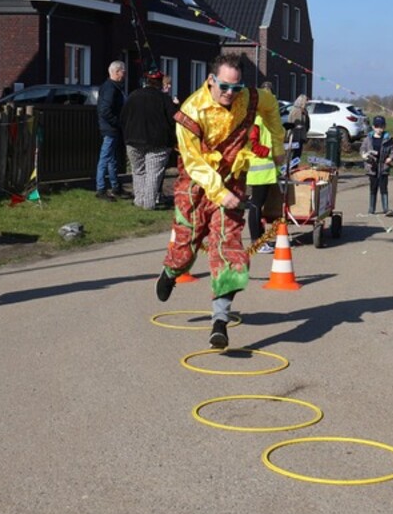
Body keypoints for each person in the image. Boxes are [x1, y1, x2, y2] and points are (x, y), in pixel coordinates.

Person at [155, 54, 284, 349]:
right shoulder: (190, 112)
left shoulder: (250, 97)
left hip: (232, 181)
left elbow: (271, 107)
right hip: (196, 185)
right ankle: (171, 271)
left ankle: (220, 323)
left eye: (236, 88)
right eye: (224, 87)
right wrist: (219, 192)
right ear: (211, 80)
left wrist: (277, 145)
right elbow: (193, 162)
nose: (230, 93)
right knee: (186, 247)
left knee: (230, 249)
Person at [120, 70, 178, 210]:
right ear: (160, 83)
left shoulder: (133, 96)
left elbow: (123, 117)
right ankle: (149, 204)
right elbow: (174, 120)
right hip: (158, 142)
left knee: (138, 171)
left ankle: (139, 200)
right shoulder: (164, 99)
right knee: (153, 174)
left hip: (133, 140)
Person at [245, 110, 280, 255]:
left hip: (266, 172)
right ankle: (256, 242)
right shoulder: (257, 120)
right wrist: (270, 152)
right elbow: (252, 144)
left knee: (259, 206)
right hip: (258, 171)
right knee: (256, 205)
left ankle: (260, 240)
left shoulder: (265, 119)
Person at [95, 60, 128, 200]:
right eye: (123, 72)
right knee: (105, 157)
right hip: (110, 128)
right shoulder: (110, 88)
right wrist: (118, 123)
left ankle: (115, 186)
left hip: (112, 128)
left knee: (112, 159)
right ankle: (101, 188)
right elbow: (104, 110)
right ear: (116, 72)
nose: (125, 75)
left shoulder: (113, 87)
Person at [360, 115, 393, 216]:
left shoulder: (388, 139)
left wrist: (391, 158)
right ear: (373, 127)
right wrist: (364, 155)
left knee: (383, 188)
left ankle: (386, 209)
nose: (379, 129)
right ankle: (371, 209)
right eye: (377, 126)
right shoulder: (368, 138)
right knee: (373, 188)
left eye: (381, 126)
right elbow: (363, 148)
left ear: (384, 126)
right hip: (372, 167)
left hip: (383, 167)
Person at [286, 94, 310, 167]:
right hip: (294, 135)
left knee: (298, 153)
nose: (307, 103)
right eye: (305, 101)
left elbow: (307, 123)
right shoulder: (295, 110)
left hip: (301, 136)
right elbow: (292, 123)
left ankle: (294, 166)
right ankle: (291, 167)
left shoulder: (304, 111)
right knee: (294, 153)